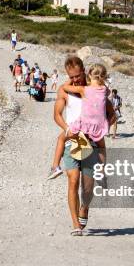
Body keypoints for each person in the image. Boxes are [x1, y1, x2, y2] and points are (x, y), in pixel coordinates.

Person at [51, 56, 116, 236]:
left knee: (88, 187)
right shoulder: (65, 91)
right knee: (73, 180)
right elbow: (57, 114)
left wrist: (102, 129)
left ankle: (84, 207)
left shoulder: (94, 89)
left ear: (83, 70)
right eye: (71, 77)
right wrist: (66, 129)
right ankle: (75, 225)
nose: (75, 80)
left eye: (77, 76)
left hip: (91, 143)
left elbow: (112, 114)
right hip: (73, 140)